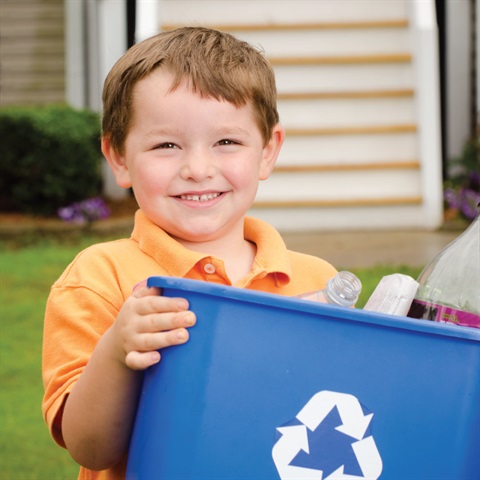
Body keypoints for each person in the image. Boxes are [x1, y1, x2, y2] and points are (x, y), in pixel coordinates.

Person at [42, 27, 337, 479]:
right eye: (166, 145)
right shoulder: (100, 277)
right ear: (118, 157)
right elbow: (90, 447)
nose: (198, 169)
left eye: (226, 142)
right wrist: (118, 350)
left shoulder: (319, 281)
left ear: (267, 151)